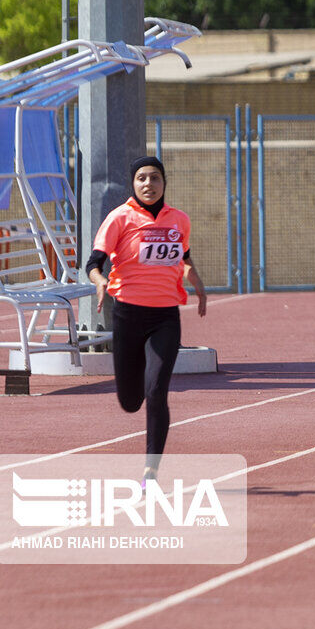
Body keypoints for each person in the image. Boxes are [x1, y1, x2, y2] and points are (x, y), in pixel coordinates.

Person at [85, 156, 207, 483]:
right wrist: (99, 282)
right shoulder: (119, 218)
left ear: (164, 183)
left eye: (154, 178)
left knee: (156, 391)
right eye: (142, 178)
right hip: (127, 315)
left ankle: (150, 472)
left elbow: (183, 256)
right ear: (133, 184)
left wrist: (195, 279)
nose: (148, 184)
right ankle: (133, 384)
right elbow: (94, 263)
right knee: (130, 401)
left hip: (165, 317)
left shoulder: (179, 220)